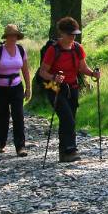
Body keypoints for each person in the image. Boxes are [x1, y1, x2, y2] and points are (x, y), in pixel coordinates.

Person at [38, 17, 100, 163]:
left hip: (72, 88)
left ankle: (63, 153)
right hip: (54, 88)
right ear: (62, 33)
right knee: (68, 119)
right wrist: (53, 77)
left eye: (75, 34)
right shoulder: (53, 50)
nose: (73, 37)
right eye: (70, 34)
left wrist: (93, 74)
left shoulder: (77, 48)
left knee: (68, 119)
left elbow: (82, 67)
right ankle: (70, 150)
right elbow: (42, 72)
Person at [0, 24, 31, 156]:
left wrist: (28, 88)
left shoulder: (21, 50)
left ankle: (20, 147)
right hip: (0, 87)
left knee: (19, 116)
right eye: (10, 35)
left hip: (16, 86)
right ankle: (1, 143)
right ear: (6, 37)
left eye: (15, 35)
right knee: (3, 116)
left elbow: (25, 70)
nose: (13, 38)